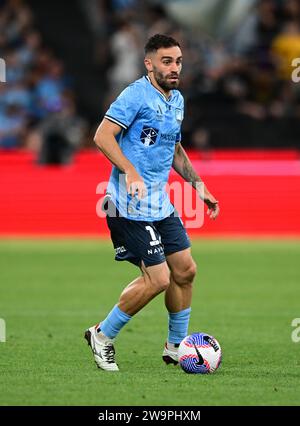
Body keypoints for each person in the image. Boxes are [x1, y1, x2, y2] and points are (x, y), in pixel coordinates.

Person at [85, 34, 220, 371]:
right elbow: (102, 136)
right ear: (149, 63)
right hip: (126, 205)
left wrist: (198, 186)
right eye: (166, 61)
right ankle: (102, 335)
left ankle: (176, 347)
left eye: (178, 62)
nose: (174, 68)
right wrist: (129, 170)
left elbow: (174, 148)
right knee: (158, 280)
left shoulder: (177, 101)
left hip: (160, 203)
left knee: (185, 271)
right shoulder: (135, 95)